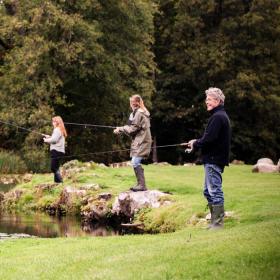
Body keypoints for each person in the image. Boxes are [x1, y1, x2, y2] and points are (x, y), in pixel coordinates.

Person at [184, 87, 231, 229]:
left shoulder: (218, 117)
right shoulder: (218, 116)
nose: (206, 102)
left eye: (209, 100)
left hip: (214, 159)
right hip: (212, 159)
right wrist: (195, 142)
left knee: (215, 191)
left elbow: (209, 139)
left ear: (217, 101)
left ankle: (218, 224)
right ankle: (214, 223)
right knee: (207, 191)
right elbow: (208, 138)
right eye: (207, 99)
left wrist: (196, 143)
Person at [114, 95, 152, 191]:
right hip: (142, 141)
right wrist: (121, 129)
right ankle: (140, 184)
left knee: (135, 162)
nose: (130, 105)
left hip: (142, 141)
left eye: (131, 103)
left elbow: (132, 130)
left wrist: (121, 128)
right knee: (135, 162)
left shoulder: (139, 113)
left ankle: (142, 185)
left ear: (134, 103)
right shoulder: (140, 112)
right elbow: (131, 126)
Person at [43, 116, 67, 183]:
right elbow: (55, 138)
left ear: (57, 122)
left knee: (53, 168)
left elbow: (54, 140)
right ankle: (56, 182)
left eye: (54, 121)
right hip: (60, 151)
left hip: (56, 151)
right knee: (56, 167)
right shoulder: (60, 129)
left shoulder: (57, 129)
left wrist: (46, 140)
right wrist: (49, 136)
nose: (52, 123)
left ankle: (60, 181)